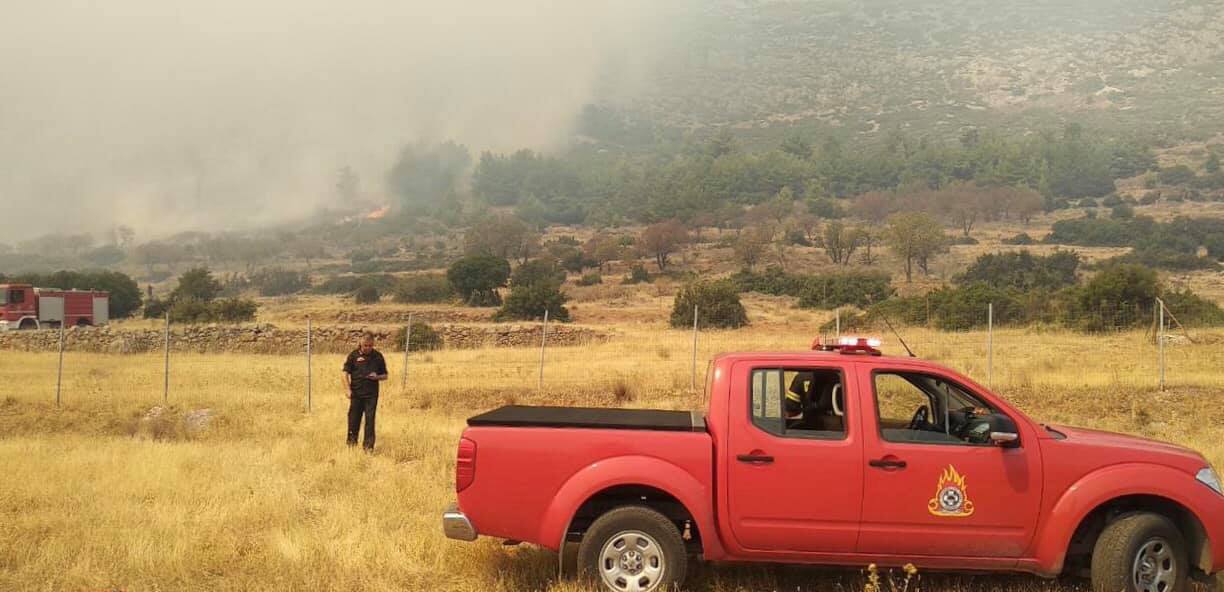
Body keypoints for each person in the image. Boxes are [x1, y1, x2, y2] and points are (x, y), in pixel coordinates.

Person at [343, 331, 388, 450]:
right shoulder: (353, 356)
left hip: (371, 396)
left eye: (370, 346)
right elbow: (344, 373)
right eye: (365, 346)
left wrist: (377, 377)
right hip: (356, 394)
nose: (368, 348)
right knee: (353, 419)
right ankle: (351, 445)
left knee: (370, 421)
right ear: (360, 344)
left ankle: (368, 448)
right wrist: (347, 389)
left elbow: (385, 375)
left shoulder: (378, 356)